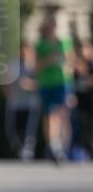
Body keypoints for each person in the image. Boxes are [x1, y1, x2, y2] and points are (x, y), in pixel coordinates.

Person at [35, 11, 75, 164]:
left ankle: (64, 147)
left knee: (62, 114)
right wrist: (48, 61)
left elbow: (71, 64)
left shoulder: (64, 42)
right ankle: (53, 146)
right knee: (49, 115)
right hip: (46, 83)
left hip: (62, 83)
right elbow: (36, 67)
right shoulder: (41, 44)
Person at [3, 42, 40, 161]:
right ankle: (18, 149)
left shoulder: (35, 65)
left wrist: (30, 85)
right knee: (11, 129)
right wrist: (8, 92)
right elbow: (4, 80)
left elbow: (42, 83)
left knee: (28, 129)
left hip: (30, 103)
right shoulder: (13, 64)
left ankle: (27, 151)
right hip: (14, 103)